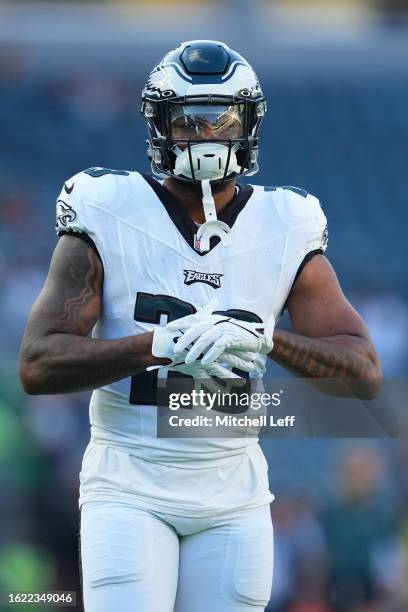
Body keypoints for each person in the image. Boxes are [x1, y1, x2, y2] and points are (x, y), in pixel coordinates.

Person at [19, 40, 382, 612]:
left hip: (233, 494)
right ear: (158, 125)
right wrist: (154, 344)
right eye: (186, 121)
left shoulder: (285, 222)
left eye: (222, 119)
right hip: (128, 483)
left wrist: (267, 338)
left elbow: (363, 372)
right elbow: (38, 364)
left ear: (250, 124)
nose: (205, 136)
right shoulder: (107, 209)